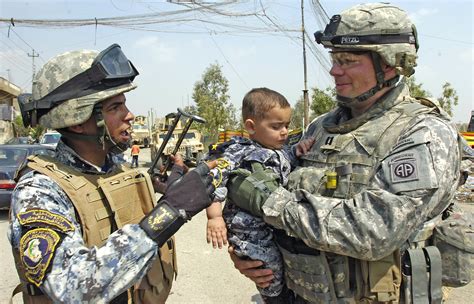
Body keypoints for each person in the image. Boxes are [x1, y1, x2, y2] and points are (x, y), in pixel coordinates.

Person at [226, 3, 463, 303]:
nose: (334, 70)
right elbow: (277, 183)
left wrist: (268, 203)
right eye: (335, 59)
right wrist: (251, 253)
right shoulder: (319, 128)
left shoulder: (423, 133)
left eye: (348, 60)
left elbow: (373, 230)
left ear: (389, 65)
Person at [8, 44, 216, 303]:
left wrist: (162, 189)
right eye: (115, 107)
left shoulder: (114, 166)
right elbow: (74, 287)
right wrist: (170, 212)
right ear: (77, 120)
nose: (129, 116)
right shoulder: (40, 189)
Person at [205, 87, 313, 303]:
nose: (284, 132)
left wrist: (298, 149)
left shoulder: (279, 150)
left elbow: (286, 160)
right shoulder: (239, 151)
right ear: (251, 127)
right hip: (249, 230)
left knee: (280, 266)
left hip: (270, 224)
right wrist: (214, 217)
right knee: (268, 271)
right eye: (276, 126)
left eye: (286, 125)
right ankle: (274, 298)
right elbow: (214, 181)